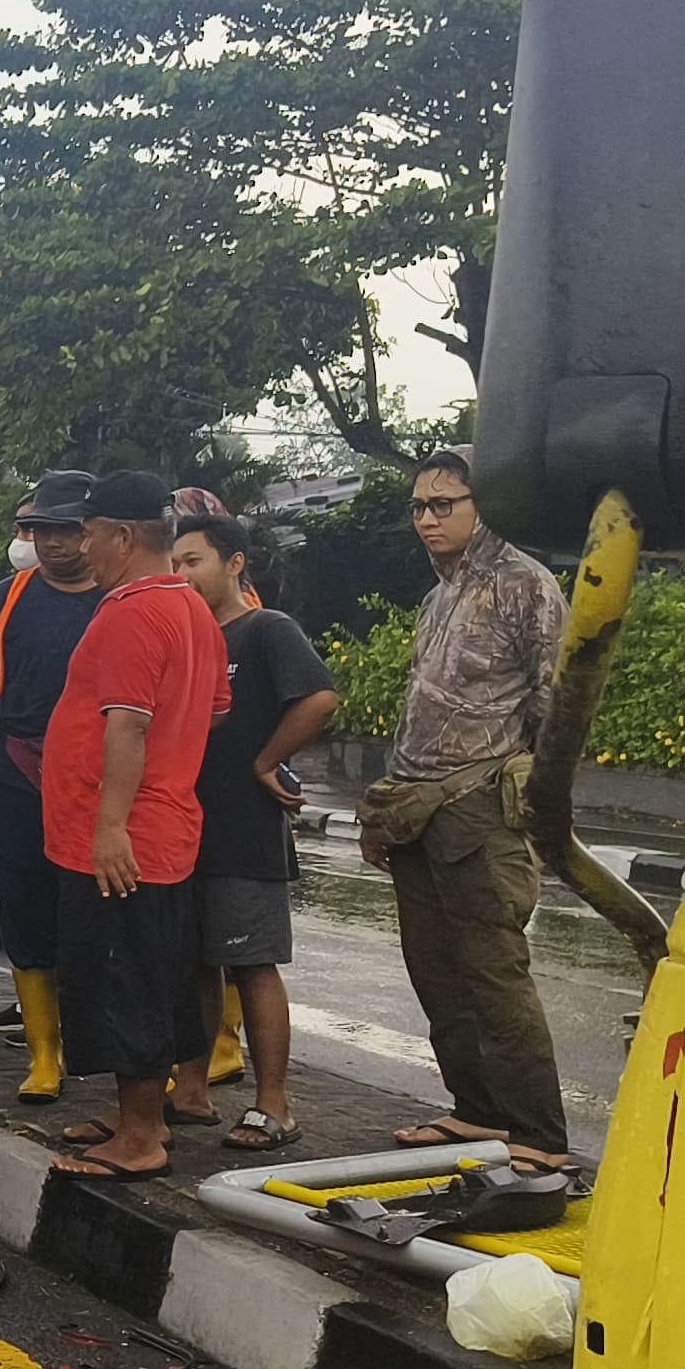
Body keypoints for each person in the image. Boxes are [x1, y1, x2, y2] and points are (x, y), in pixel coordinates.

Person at [359, 448, 576, 1167]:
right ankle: (478, 1112)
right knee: (435, 971)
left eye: (443, 504)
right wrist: (385, 809)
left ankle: (538, 1135)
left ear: (486, 506)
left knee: (493, 974)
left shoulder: (526, 586)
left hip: (481, 810)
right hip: (416, 809)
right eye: (419, 506)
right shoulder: (441, 591)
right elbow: (424, 710)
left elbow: (559, 707)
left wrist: (536, 803)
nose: (427, 519)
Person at [41, 473, 225, 1180]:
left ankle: (142, 1135)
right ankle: (135, 1116)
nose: (83, 548)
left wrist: (111, 823)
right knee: (153, 972)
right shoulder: (192, 610)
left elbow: (128, 723)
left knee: (124, 981)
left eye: (88, 533)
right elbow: (213, 709)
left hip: (125, 837)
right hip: (166, 826)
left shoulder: (132, 611)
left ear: (120, 535)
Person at [162, 513, 337, 1146]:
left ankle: (274, 1105)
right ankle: (190, 1090)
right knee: (191, 966)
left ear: (235, 563)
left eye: (194, 561)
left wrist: (266, 760)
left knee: (251, 966)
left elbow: (318, 697)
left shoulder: (266, 631)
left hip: (243, 831)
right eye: (174, 562)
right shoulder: (183, 636)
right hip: (181, 829)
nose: (181, 574)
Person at [0, 471, 107, 1100]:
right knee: (25, 909)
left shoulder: (122, 598)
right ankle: (45, 1053)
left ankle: (104, 1040)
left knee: (97, 914)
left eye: (65, 530)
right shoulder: (8, 600)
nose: (52, 543)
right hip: (18, 774)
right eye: (40, 530)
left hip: (101, 782)